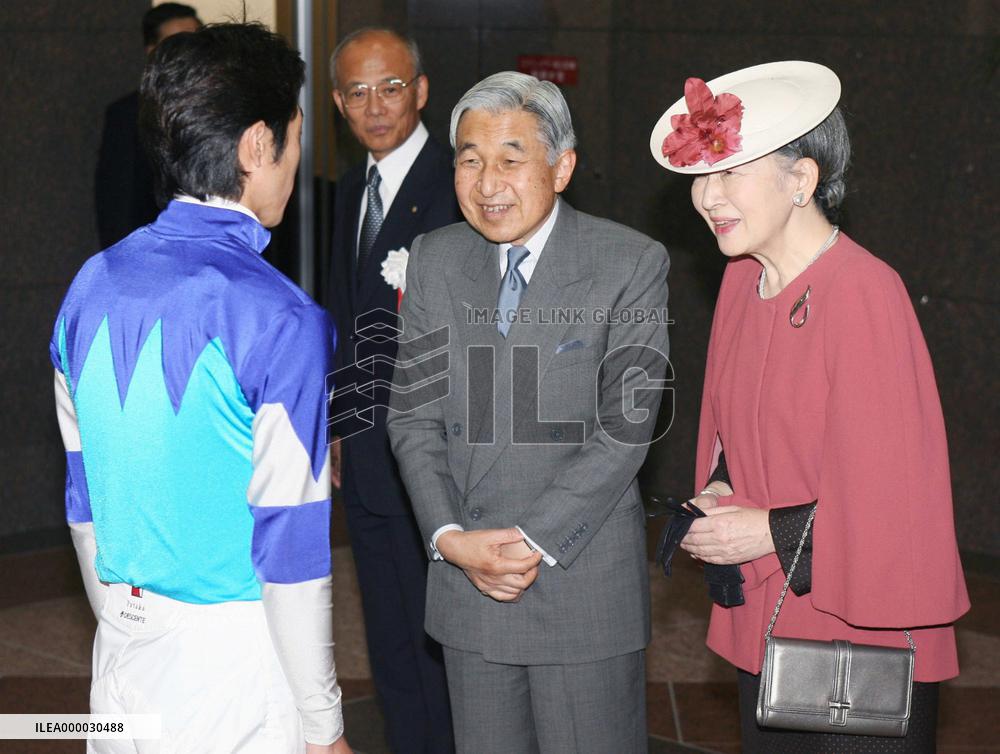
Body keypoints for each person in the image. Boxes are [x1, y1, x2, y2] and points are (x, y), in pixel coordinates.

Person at [648, 61, 970, 752]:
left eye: (731, 172)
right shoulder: (741, 280)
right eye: (702, 175)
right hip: (768, 617)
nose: (707, 196)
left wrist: (767, 530)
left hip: (858, 632)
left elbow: (896, 497)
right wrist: (720, 487)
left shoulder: (864, 293)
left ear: (801, 180)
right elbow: (739, 430)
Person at [52, 23, 352, 754]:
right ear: (257, 146)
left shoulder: (89, 286)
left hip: (118, 650)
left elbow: (83, 497)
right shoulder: (283, 318)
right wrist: (323, 725)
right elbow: (291, 543)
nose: (295, 159)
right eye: (294, 136)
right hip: (236, 667)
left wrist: (128, 620)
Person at [386, 71, 670, 754]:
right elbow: (412, 417)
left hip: (577, 578)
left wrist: (526, 544)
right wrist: (452, 538)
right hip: (468, 577)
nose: (488, 184)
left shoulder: (627, 261)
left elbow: (625, 429)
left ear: (561, 166)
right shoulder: (435, 258)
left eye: (511, 159)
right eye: (470, 160)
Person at [325, 27, 459, 754]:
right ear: (338, 103)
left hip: (431, 459)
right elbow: (349, 320)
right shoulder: (350, 190)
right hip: (365, 461)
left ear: (422, 89)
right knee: (389, 641)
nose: (375, 106)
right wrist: (342, 428)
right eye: (357, 92)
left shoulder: (459, 181)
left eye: (391, 86)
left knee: (436, 639)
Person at [95, 2, 201, 248]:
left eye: (197, 41)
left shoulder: (223, 106)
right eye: (178, 42)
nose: (190, 52)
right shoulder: (129, 114)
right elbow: (117, 202)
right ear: (152, 51)